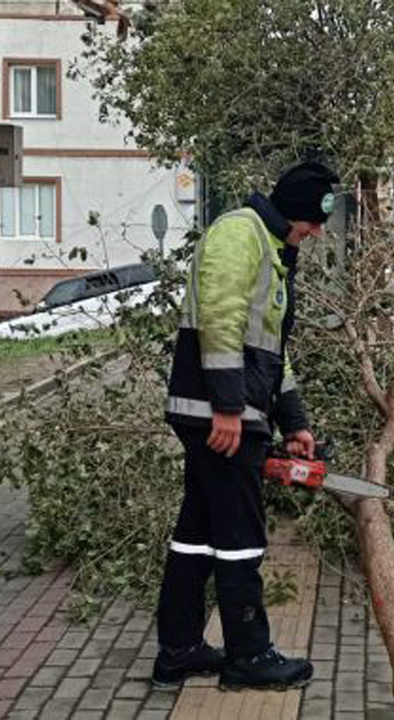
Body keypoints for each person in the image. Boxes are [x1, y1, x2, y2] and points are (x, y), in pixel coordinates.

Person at [151, 160, 339, 692]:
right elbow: (220, 319)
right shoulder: (241, 234)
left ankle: (179, 649)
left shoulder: (272, 251)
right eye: (313, 220)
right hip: (221, 416)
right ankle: (248, 656)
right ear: (295, 210)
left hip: (227, 411)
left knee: (198, 535)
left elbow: (271, 353)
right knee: (240, 538)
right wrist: (229, 408)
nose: (316, 232)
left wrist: (295, 422)